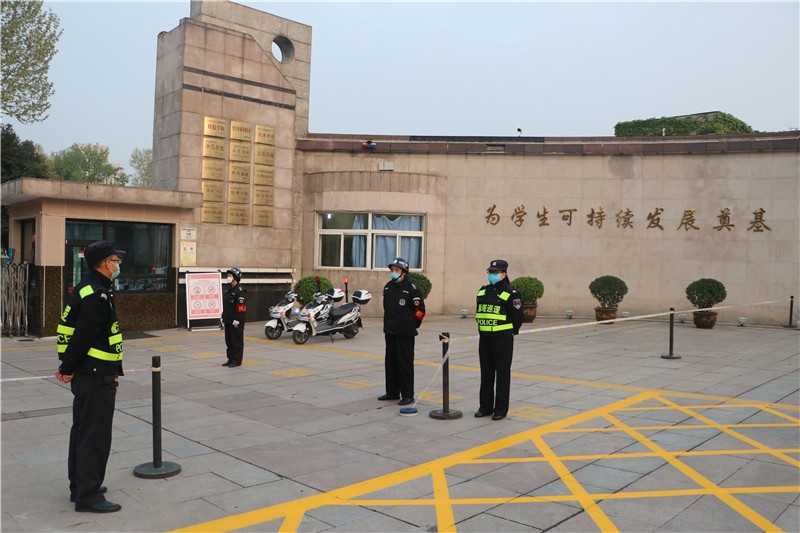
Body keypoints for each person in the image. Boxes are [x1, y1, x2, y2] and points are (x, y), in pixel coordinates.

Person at [55, 240, 125, 513]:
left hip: (87, 374)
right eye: (116, 261)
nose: (118, 265)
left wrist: (68, 366)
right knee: (95, 436)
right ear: (106, 264)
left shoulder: (85, 287)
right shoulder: (98, 295)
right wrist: (67, 367)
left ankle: (80, 486)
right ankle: (88, 495)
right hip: (96, 375)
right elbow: (84, 335)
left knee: (82, 432)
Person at [474, 259, 524, 421]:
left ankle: (500, 409)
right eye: (490, 272)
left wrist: (509, 332)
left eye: (495, 272)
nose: (492, 275)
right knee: (486, 373)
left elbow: (518, 318)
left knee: (502, 374)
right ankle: (485, 407)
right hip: (485, 338)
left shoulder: (511, 293)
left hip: (502, 339)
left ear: (504, 274)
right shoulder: (483, 291)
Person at [379, 257, 425, 406]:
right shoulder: (388, 287)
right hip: (390, 331)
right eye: (392, 269)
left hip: (405, 332)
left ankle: (407, 395)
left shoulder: (412, 288)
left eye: (397, 270)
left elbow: (420, 311)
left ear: (404, 272)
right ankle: (392, 392)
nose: (393, 272)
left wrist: (412, 325)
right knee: (390, 363)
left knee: (404, 364)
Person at [222, 267, 247, 367]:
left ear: (235, 277)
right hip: (228, 319)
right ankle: (230, 358)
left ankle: (237, 360)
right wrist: (223, 316)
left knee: (236, 341)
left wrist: (237, 319)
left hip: (236, 320)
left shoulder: (240, 290)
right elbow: (227, 305)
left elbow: (241, 306)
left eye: (230, 276)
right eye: (228, 276)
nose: (228, 277)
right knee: (229, 340)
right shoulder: (228, 290)